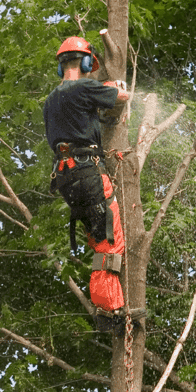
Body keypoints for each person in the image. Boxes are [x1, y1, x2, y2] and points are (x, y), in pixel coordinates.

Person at [43, 36, 142, 332]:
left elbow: (80, 118)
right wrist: (115, 88)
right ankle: (110, 313)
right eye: (90, 67)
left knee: (99, 236)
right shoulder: (85, 87)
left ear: (62, 67)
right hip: (87, 171)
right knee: (110, 240)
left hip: (65, 176)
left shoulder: (51, 100)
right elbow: (123, 98)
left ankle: (106, 307)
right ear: (86, 63)